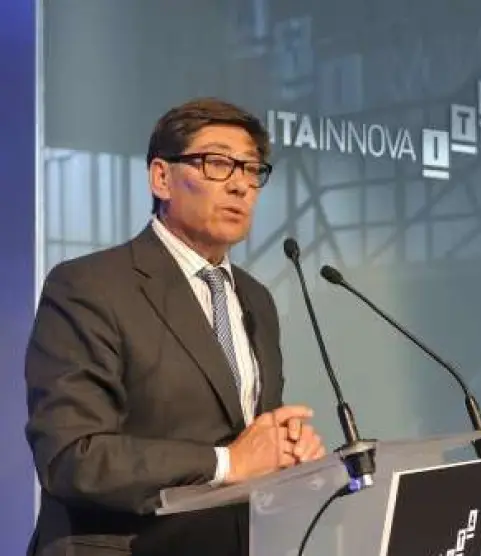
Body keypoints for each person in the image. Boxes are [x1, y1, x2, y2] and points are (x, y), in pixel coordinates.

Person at [24, 98, 326, 555]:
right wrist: (228, 462)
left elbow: (249, 441)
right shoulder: (90, 286)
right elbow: (72, 457)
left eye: (251, 169)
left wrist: (286, 452)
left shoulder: (256, 299)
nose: (240, 185)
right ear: (161, 178)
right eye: (218, 164)